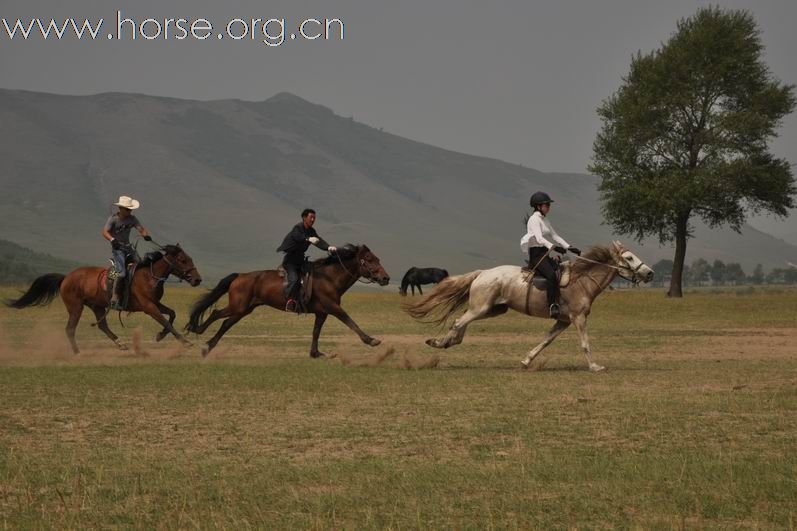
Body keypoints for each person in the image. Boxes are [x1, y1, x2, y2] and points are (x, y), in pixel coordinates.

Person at [520, 191, 581, 318]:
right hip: (537, 256)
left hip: (544, 253)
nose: (549, 207)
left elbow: (555, 235)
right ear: (538, 206)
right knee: (552, 276)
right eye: (546, 204)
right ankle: (552, 305)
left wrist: (569, 247)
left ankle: (562, 300)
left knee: (562, 271)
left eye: (548, 204)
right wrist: (554, 248)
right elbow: (539, 238)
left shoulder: (544, 219)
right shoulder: (534, 220)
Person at [276, 208, 337, 312]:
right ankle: (290, 301)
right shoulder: (297, 228)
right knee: (294, 279)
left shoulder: (311, 231)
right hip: (290, 261)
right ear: (304, 218)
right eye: (311, 217)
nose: (313, 220)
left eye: (314, 218)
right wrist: (308, 239)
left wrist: (328, 247)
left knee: (314, 275)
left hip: (301, 259)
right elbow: (297, 237)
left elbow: (318, 241)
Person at [102, 195, 152, 310]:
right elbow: (104, 232)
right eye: (128, 209)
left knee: (141, 266)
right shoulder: (113, 219)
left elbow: (141, 229)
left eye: (131, 209)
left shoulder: (132, 219)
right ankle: (114, 298)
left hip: (128, 248)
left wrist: (145, 235)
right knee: (122, 274)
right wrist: (112, 240)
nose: (130, 211)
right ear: (121, 208)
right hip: (118, 249)